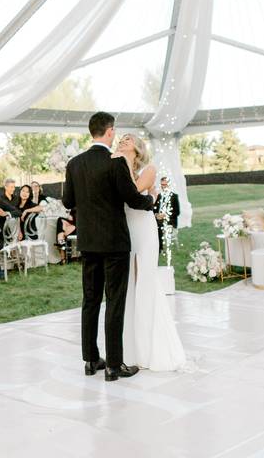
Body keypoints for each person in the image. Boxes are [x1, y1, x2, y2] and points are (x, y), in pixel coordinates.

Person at [62, 111, 155, 382]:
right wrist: (152, 202)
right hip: (114, 243)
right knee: (114, 301)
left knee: (90, 300)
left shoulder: (74, 163)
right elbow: (133, 199)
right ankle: (114, 365)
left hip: (88, 242)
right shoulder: (114, 162)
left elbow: (68, 201)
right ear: (110, 131)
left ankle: (91, 360)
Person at [115, 134, 186, 372]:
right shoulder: (116, 166)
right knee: (128, 286)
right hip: (125, 230)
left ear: (137, 148)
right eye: (121, 139)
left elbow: (132, 192)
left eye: (128, 139)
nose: (123, 141)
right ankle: (129, 348)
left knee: (143, 282)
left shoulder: (149, 169)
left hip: (144, 231)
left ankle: (148, 349)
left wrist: (120, 164)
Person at [153, 176, 180, 251]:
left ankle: (159, 248)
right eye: (162, 184)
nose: (163, 186)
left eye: (165, 184)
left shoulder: (174, 196)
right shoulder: (159, 196)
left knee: (159, 226)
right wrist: (156, 215)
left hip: (170, 220)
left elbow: (177, 212)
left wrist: (165, 215)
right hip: (158, 219)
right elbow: (153, 210)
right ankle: (154, 245)